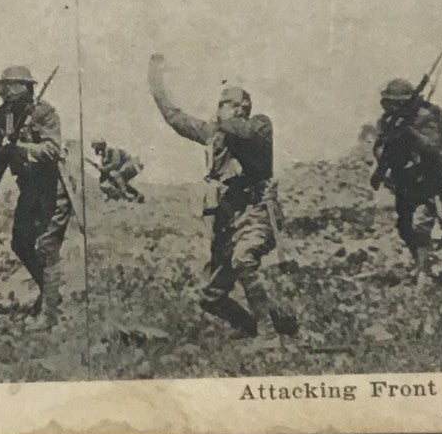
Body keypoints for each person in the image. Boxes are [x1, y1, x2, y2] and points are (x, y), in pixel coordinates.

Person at [148, 53, 298, 339]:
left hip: (257, 211)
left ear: (242, 107)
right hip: (228, 220)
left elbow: (243, 132)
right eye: (219, 104)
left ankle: (268, 335)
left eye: (226, 103)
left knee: (244, 258)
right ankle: (260, 324)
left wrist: (220, 124)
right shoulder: (215, 133)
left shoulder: (259, 125)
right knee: (211, 296)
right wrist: (156, 83)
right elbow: (174, 117)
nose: (220, 108)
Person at [0, 65, 71, 327]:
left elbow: (52, 150)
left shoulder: (44, 112)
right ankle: (50, 295)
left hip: (53, 188)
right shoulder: (0, 115)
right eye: (4, 85)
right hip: (29, 189)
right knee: (20, 243)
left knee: (46, 247)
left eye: (12, 85)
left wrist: (19, 148)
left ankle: (49, 315)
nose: (5, 91)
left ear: (26, 87)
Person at [370, 78, 442, 277]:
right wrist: (381, 170)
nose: (388, 106)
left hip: (427, 178)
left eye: (394, 102)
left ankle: (427, 268)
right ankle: (422, 263)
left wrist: (409, 132)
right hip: (404, 180)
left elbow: (434, 146)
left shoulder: (425, 117)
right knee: (404, 226)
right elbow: (381, 148)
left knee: (421, 225)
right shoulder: (387, 122)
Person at [90, 138, 145, 203]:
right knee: (109, 182)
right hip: (125, 169)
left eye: (96, 146)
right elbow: (105, 173)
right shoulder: (104, 158)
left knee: (114, 174)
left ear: (102, 145)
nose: (95, 149)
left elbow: (116, 164)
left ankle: (126, 195)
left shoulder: (113, 150)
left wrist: (104, 168)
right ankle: (136, 195)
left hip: (133, 165)